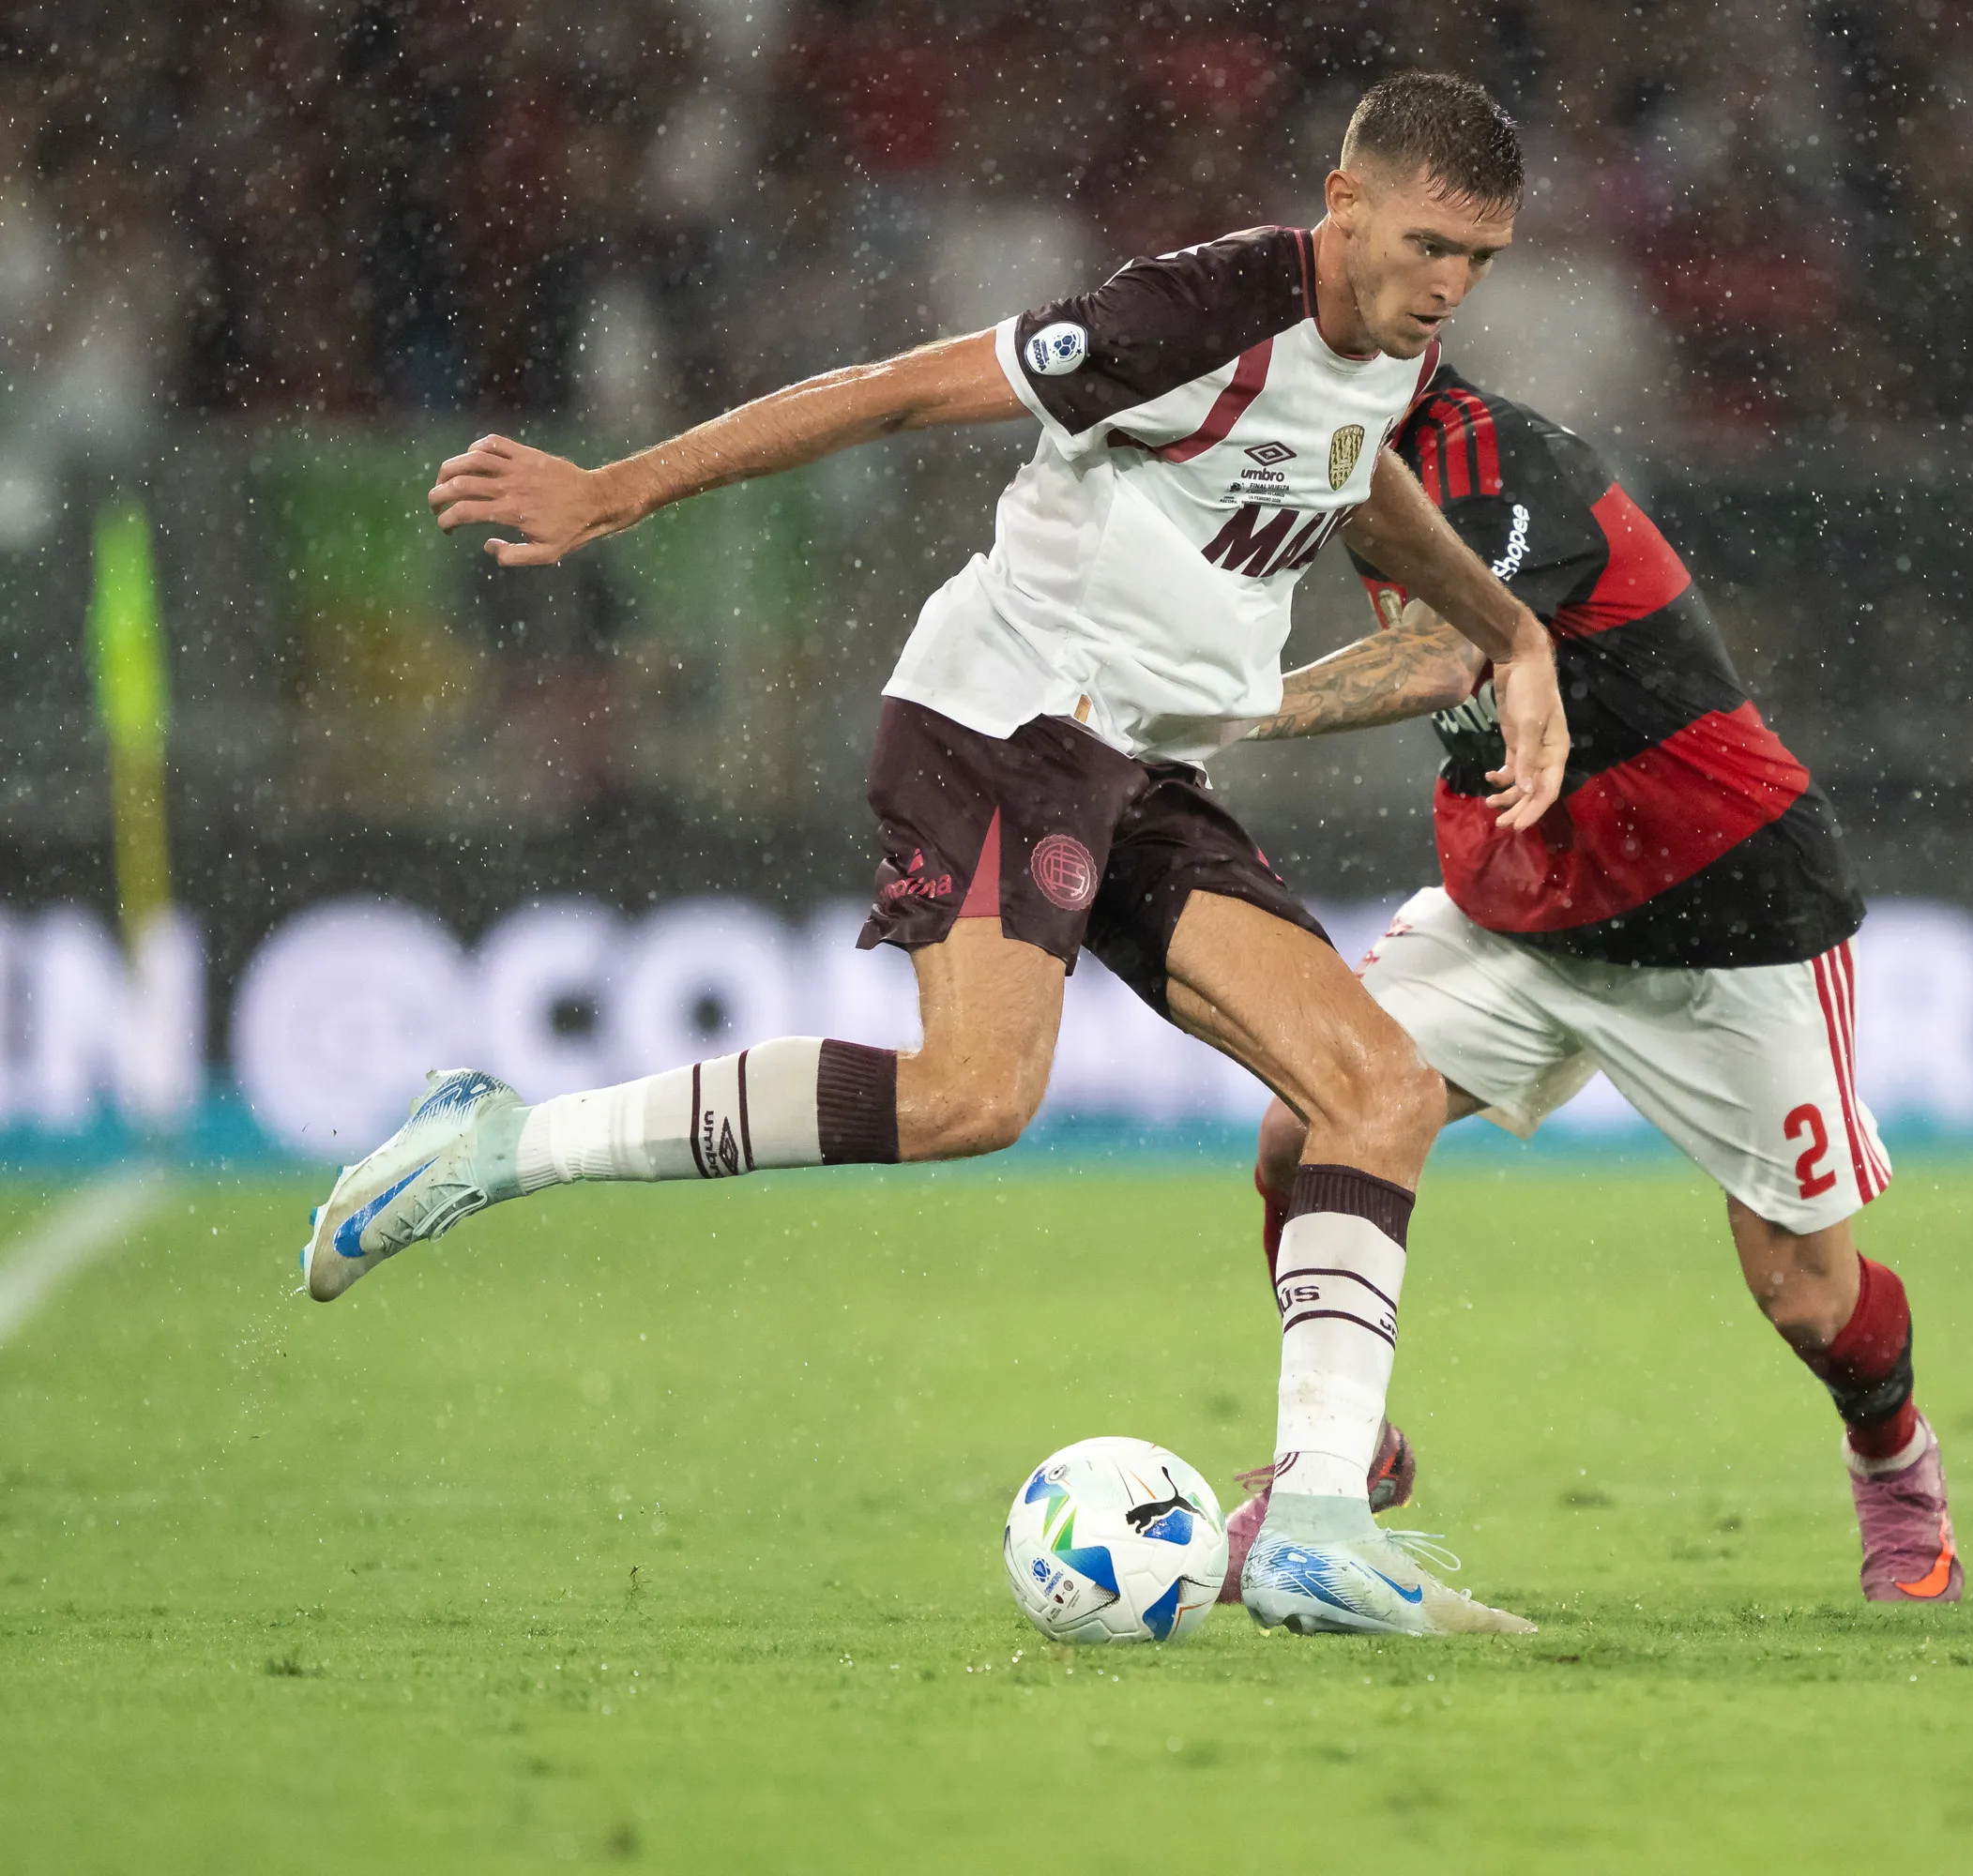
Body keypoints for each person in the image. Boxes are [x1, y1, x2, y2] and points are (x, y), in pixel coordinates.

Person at [296, 74, 1568, 1639]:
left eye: (1482, 261)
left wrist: (1506, 629)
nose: (1449, 286)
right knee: (977, 1097)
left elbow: (1347, 470)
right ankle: (501, 1142)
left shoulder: (1390, 340)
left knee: (1377, 1089)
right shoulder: (1190, 312)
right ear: (1346, 200)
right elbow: (899, 389)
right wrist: (617, 486)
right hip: (1005, 720)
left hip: (1143, 758)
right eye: (1430, 245)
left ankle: (1310, 1523)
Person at [1221, 364, 1962, 1605]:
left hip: (1726, 915)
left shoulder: (1504, 464)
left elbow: (1446, 655)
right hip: (1522, 902)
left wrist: (1214, 708)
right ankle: (1344, 1453)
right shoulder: (1322, 459)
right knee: (1304, 1132)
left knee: (1807, 1297)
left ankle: (1896, 1464)